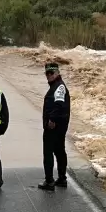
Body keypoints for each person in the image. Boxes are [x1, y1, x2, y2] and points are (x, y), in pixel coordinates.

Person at [38, 62, 70, 191]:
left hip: (55, 126)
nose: (48, 76)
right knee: (59, 151)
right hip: (59, 125)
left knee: (49, 152)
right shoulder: (56, 86)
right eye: (47, 73)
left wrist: (52, 119)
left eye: (51, 73)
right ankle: (62, 179)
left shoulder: (59, 87)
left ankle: (50, 181)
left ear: (57, 73)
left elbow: (59, 104)